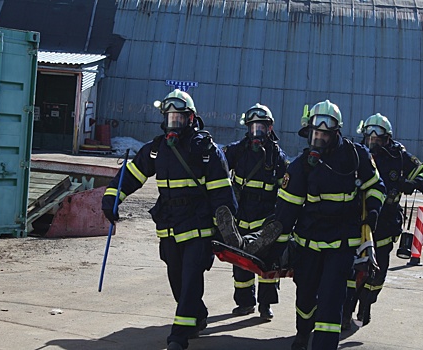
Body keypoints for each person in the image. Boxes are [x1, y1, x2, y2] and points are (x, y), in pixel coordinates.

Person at [101, 89, 237, 350]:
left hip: (198, 227)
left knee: (189, 279)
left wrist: (226, 229)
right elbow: (131, 175)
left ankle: (178, 336)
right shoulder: (156, 149)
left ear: (191, 118)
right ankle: (197, 316)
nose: (173, 123)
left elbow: (223, 194)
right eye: (169, 118)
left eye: (178, 118)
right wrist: (112, 197)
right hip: (169, 227)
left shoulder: (208, 150)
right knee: (177, 279)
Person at [274, 100, 386, 350]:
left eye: (324, 135)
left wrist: (373, 213)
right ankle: (303, 333)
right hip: (308, 244)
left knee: (331, 300)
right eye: (315, 134)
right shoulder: (301, 165)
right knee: (305, 298)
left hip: (342, 244)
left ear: (336, 133)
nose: (318, 140)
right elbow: (286, 209)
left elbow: (376, 187)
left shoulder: (357, 156)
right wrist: (277, 245)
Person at [342, 113, 423, 329]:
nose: (373, 144)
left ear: (387, 139)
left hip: (385, 224)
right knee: (352, 270)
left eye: (378, 140)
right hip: (359, 220)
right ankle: (346, 311)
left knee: (378, 273)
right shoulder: (357, 154)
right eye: (370, 139)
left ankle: (366, 304)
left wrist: (415, 183)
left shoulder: (398, 156)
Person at [217, 103, 289, 320]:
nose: (257, 132)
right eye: (253, 127)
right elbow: (218, 172)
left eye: (261, 128)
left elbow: (286, 190)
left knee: (266, 265)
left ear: (270, 128)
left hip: (265, 218)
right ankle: (245, 303)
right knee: (240, 261)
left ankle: (265, 305)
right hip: (240, 215)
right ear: (247, 128)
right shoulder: (237, 151)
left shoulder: (278, 157)